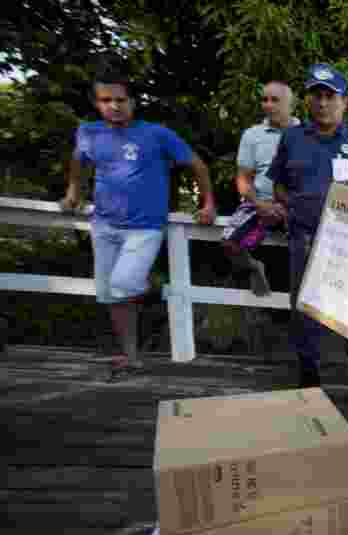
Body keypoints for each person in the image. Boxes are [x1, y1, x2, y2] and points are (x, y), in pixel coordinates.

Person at [60, 73, 216, 381]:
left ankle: (153, 285)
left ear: (133, 102)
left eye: (120, 100)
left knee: (123, 284)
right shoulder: (89, 132)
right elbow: (79, 160)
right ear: (97, 103)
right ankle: (131, 357)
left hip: (144, 227)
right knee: (110, 294)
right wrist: (73, 191)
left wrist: (208, 203)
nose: (114, 106)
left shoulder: (157, 134)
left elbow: (197, 164)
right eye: (106, 100)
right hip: (104, 224)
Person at [266, 63, 348, 406]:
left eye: (329, 96)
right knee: (305, 314)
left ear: (344, 102)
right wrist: (291, 204)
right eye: (316, 96)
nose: (322, 103)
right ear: (308, 101)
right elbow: (277, 184)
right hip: (304, 240)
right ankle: (309, 385)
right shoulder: (292, 138)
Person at [222, 80, 299, 295]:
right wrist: (261, 204)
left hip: (296, 206)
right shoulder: (252, 135)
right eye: (264, 100)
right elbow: (243, 179)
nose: (268, 105)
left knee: (315, 250)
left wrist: (289, 205)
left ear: (290, 104)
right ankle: (254, 267)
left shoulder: (306, 133)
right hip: (259, 204)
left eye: (275, 100)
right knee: (230, 243)